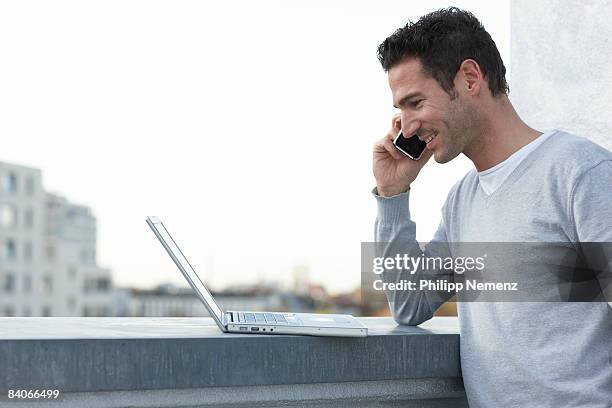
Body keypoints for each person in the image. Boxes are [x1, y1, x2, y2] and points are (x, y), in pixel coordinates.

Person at [372, 7, 612, 408]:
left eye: (414, 103)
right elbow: (410, 303)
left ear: (470, 78)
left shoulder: (578, 172)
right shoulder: (462, 200)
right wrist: (392, 194)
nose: (407, 126)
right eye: (401, 110)